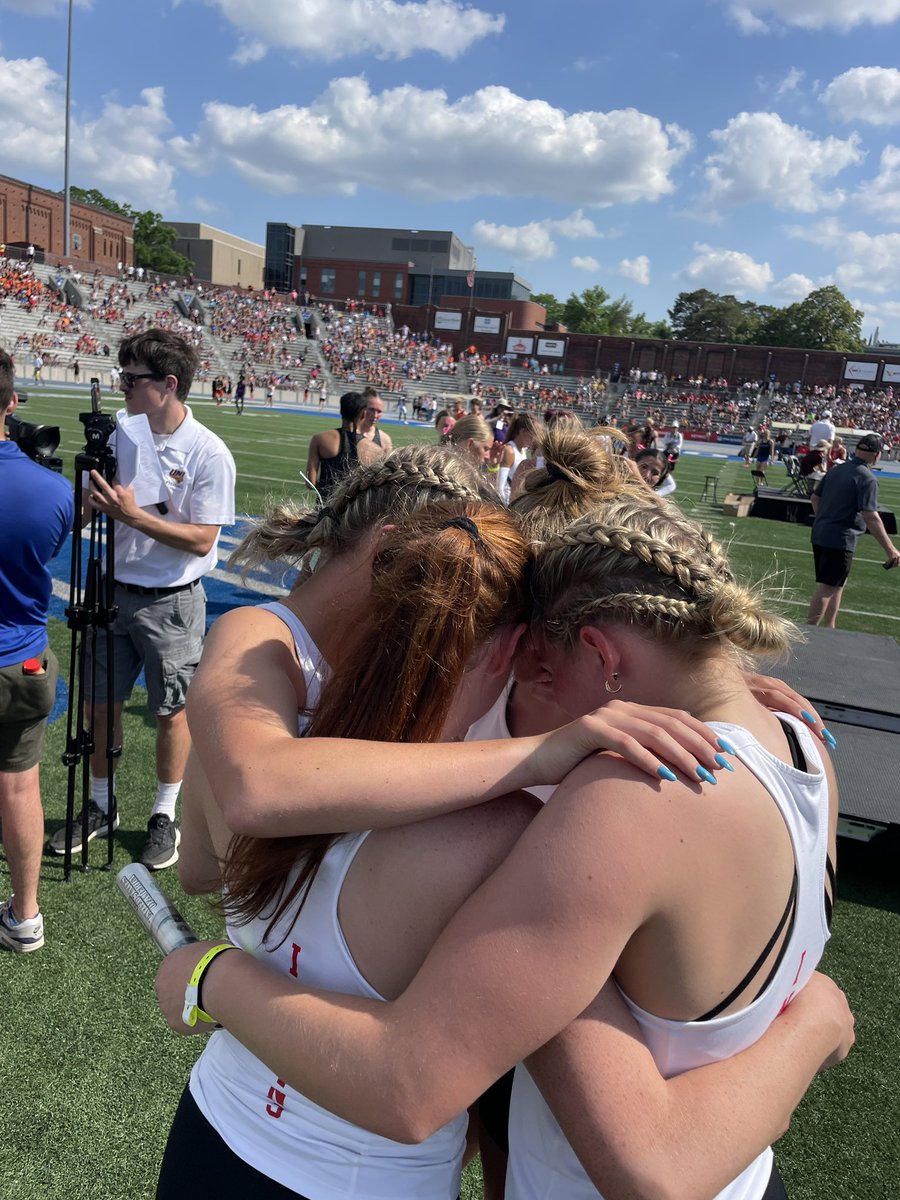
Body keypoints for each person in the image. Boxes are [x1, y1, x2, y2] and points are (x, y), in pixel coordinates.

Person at [157, 482, 850, 1200]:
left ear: (601, 654)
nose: (532, 701)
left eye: (544, 673)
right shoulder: (808, 750)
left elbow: (413, 1085)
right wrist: (812, 1025)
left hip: (234, 1133)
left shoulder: (612, 808)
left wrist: (212, 977)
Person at [46, 330, 236, 870]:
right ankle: (102, 807)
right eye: (122, 376)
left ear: (168, 385)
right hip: (110, 589)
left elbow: (202, 539)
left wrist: (132, 517)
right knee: (98, 704)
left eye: (132, 379)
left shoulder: (208, 451)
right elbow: (87, 510)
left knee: (171, 712)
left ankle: (163, 814)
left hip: (171, 602)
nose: (122, 386)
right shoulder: (122, 434)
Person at [0, 349, 74, 951]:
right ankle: (26, 917)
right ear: (11, 402)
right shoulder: (52, 490)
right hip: (24, 660)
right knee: (20, 785)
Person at [807, 432, 900, 628]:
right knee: (827, 587)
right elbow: (871, 516)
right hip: (840, 539)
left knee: (837, 584)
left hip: (821, 533)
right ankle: (808, 633)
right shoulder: (868, 478)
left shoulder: (836, 470)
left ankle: (830, 627)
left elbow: (815, 498)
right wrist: (891, 549)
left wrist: (824, 518)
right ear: (876, 455)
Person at [306, 390, 386, 503]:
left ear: (341, 410)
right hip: (354, 513)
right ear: (363, 414)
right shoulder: (376, 450)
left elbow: (310, 483)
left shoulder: (319, 439)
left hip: (324, 509)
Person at [497, 413, 537, 503]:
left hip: (515, 501)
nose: (534, 437)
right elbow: (500, 486)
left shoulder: (523, 451)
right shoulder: (509, 450)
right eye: (533, 433)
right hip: (507, 503)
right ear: (523, 431)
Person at [357, 387, 393, 455]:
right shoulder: (346, 435)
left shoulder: (385, 440)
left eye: (379, 411)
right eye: (371, 410)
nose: (375, 415)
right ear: (361, 407)